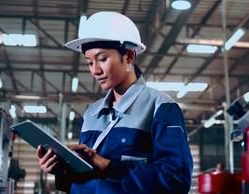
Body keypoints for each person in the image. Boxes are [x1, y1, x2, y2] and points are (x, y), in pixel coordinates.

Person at [36, 11, 193, 194]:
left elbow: (176, 179)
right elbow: (83, 179)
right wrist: (61, 170)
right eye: (89, 62)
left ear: (129, 56)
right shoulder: (92, 113)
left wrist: (108, 166)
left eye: (102, 59)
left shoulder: (160, 107)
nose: (95, 70)